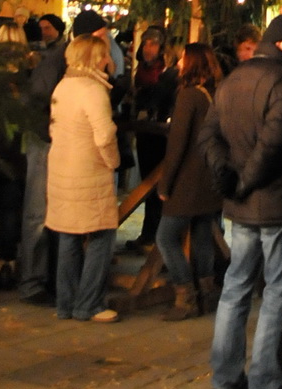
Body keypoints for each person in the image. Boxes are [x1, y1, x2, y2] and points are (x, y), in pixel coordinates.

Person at [200, 13, 282, 389]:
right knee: (277, 293)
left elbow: (211, 133)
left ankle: (225, 378)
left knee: (235, 288)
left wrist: (228, 178)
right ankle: (266, 386)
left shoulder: (236, 76)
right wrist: (242, 180)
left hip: (241, 204)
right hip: (276, 201)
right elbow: (274, 143)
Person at [45, 33, 121, 323]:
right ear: (93, 58)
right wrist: (113, 161)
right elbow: (104, 135)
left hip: (62, 168)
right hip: (88, 171)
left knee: (69, 236)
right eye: (103, 55)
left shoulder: (62, 86)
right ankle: (89, 304)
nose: (108, 61)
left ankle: (66, 303)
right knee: (101, 235)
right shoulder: (93, 91)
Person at [156, 43, 224, 319]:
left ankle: (185, 297)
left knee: (166, 237)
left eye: (184, 58)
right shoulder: (214, 93)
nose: (180, 62)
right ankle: (207, 293)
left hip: (188, 180)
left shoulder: (188, 96)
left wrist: (165, 183)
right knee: (202, 235)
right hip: (210, 178)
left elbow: (178, 143)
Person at [18, 11, 66, 303]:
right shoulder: (56, 63)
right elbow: (36, 98)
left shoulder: (56, 61)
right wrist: (49, 129)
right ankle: (33, 281)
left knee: (47, 213)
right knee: (37, 213)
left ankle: (44, 277)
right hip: (43, 140)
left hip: (48, 139)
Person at [129, 23, 178, 248]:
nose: (149, 48)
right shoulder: (142, 69)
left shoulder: (166, 71)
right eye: (146, 43)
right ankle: (149, 233)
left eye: (154, 44)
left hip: (160, 135)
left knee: (158, 186)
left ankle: (157, 236)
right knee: (147, 183)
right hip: (145, 132)